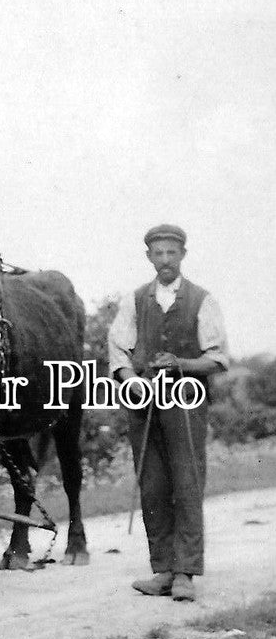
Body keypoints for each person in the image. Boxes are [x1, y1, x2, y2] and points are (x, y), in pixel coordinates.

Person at [107, 224, 229, 602]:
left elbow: (218, 359)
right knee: (154, 486)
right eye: (157, 254)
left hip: (185, 403)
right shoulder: (135, 300)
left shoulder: (201, 300)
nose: (164, 260)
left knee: (187, 484)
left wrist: (181, 364)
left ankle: (186, 574)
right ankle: (162, 570)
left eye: (171, 253)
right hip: (143, 405)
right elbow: (118, 352)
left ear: (182, 255)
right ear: (149, 257)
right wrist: (131, 380)